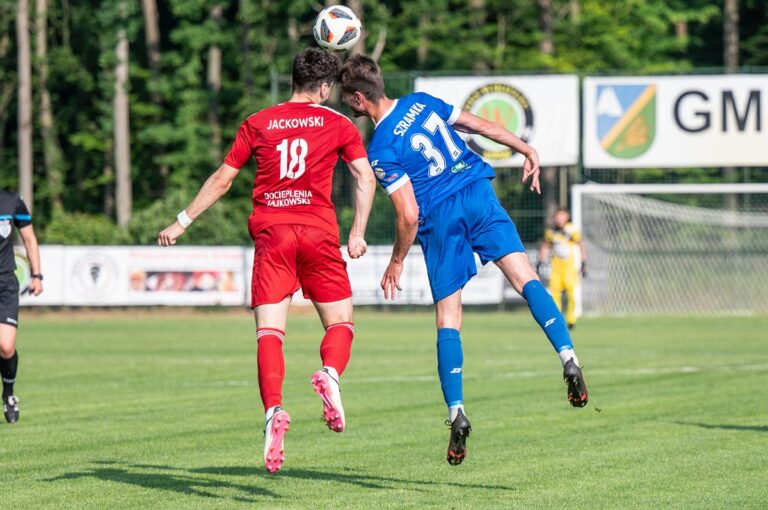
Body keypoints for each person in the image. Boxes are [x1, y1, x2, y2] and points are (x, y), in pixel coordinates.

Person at [338, 55, 588, 466]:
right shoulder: (421, 102)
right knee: (525, 279)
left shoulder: (380, 148)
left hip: (441, 216)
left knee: (448, 317)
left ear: (360, 99)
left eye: (347, 98)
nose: (347, 104)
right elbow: (480, 126)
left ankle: (457, 412)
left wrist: (397, 260)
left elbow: (408, 215)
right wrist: (525, 148)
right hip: (476, 190)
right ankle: (568, 358)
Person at [157, 48, 376, 473]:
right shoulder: (340, 124)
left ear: (292, 80)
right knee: (340, 323)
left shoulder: (258, 122)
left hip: (273, 235)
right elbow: (364, 177)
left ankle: (274, 410)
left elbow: (223, 180)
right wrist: (357, 233)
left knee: (269, 333)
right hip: (317, 232)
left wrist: (182, 221)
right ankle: (330, 374)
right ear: (325, 88)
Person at [0, 190, 43, 423]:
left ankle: (8, 394)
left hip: (5, 283)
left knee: (6, 347)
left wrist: (37, 275)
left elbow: (29, 239)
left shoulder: (11, 201)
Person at [538, 208, 587, 330]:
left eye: (562, 216)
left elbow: (580, 245)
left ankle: (571, 320)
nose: (559, 219)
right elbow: (545, 246)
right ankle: (557, 320)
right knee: (555, 294)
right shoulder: (551, 232)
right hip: (556, 268)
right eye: (557, 216)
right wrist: (540, 261)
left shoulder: (571, 230)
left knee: (571, 294)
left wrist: (583, 263)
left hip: (569, 268)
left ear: (567, 217)